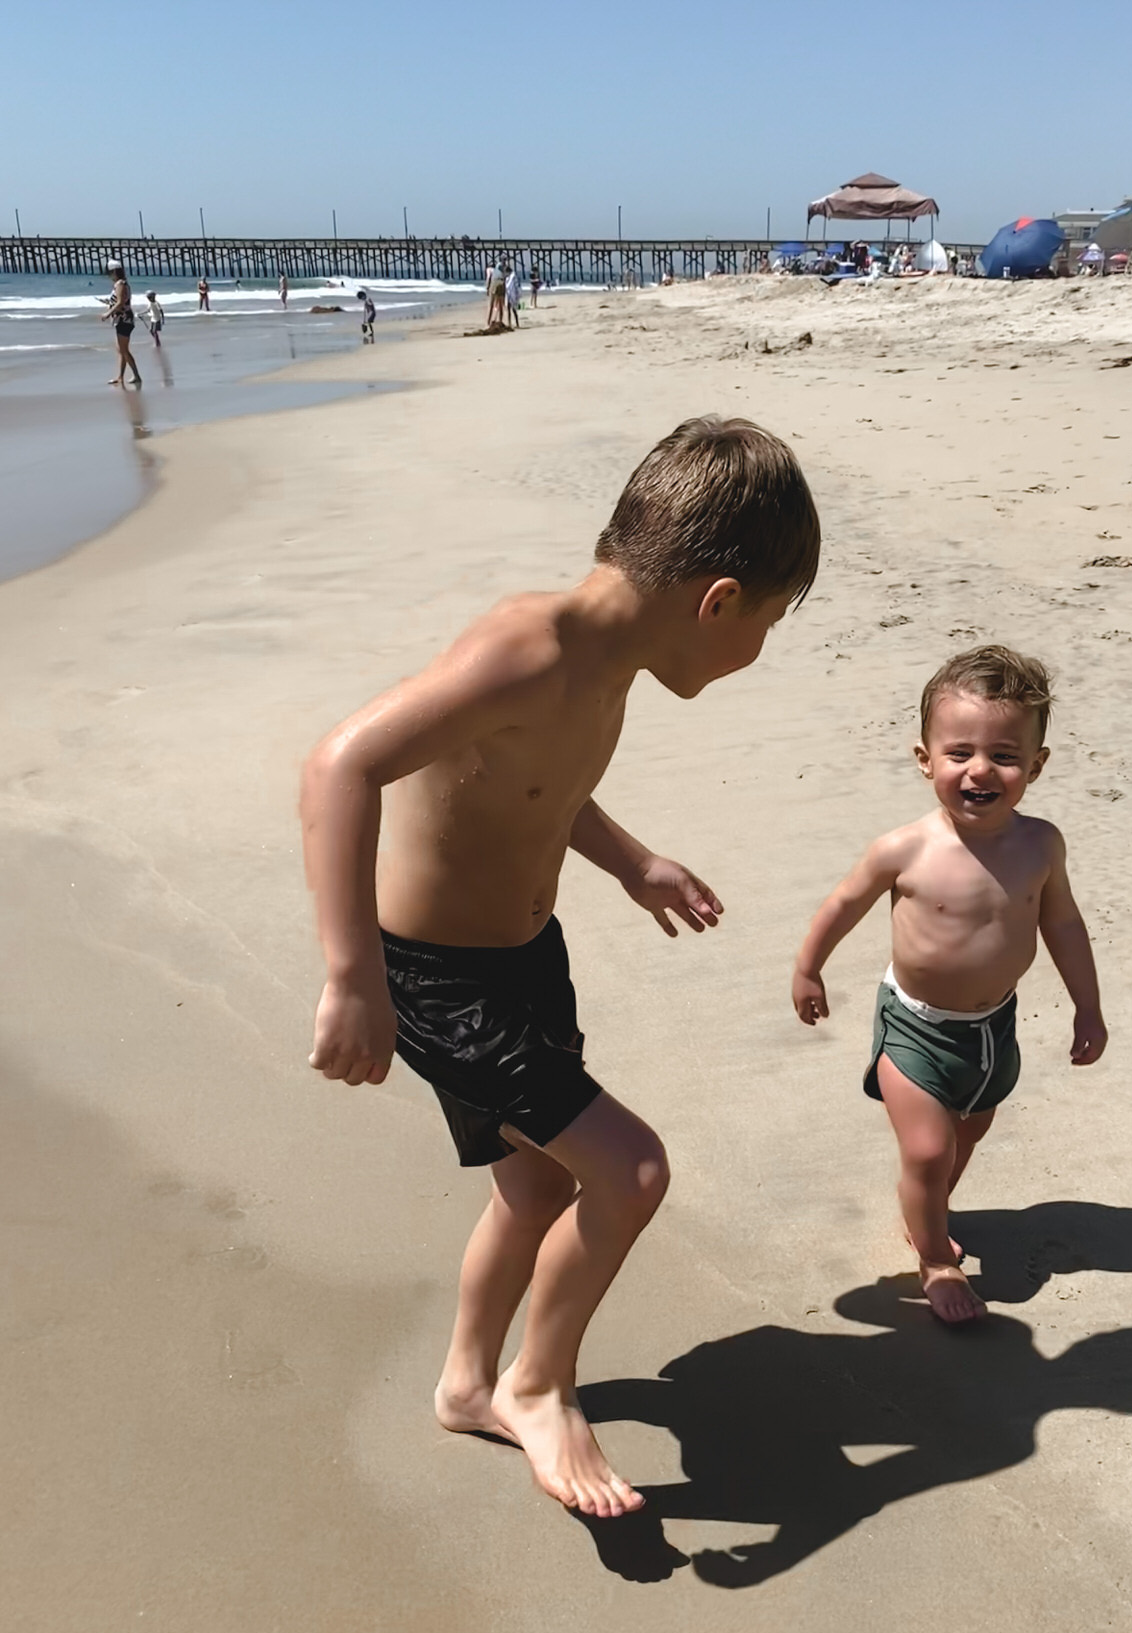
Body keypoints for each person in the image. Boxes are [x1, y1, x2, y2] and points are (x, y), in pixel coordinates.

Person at [302, 417, 820, 1517]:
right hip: (439, 978)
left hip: (524, 959)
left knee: (536, 1182)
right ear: (717, 601)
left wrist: (633, 863)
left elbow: (542, 781)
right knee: (629, 1170)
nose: (756, 653)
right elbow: (340, 767)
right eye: (766, 626)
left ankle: (466, 1383)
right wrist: (352, 977)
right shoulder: (527, 647)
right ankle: (539, 1385)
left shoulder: (606, 655)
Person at [792, 645, 1107, 1325]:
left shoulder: (1041, 845)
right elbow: (844, 903)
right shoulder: (904, 848)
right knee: (929, 1146)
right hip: (915, 1026)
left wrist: (1088, 1005)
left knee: (968, 1134)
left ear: (1037, 765)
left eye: (1004, 754)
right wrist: (808, 965)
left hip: (993, 1027)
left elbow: (1064, 923)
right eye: (959, 751)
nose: (980, 770)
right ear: (924, 758)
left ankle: (924, 1207)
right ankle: (935, 1258)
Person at [100, 263, 142, 387]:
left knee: (124, 350)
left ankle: (136, 375)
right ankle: (120, 377)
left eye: (109, 273)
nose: (109, 276)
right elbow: (119, 301)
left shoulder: (120, 284)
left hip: (124, 319)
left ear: (114, 272)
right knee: (121, 350)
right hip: (122, 319)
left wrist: (108, 313)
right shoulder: (120, 284)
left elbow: (121, 302)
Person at [486, 259, 506, 328]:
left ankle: (488, 322)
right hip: (501, 283)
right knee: (500, 305)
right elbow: (505, 277)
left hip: (494, 283)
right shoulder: (501, 269)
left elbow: (489, 278)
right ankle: (500, 321)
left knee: (491, 305)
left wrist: (487, 288)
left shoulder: (489, 269)